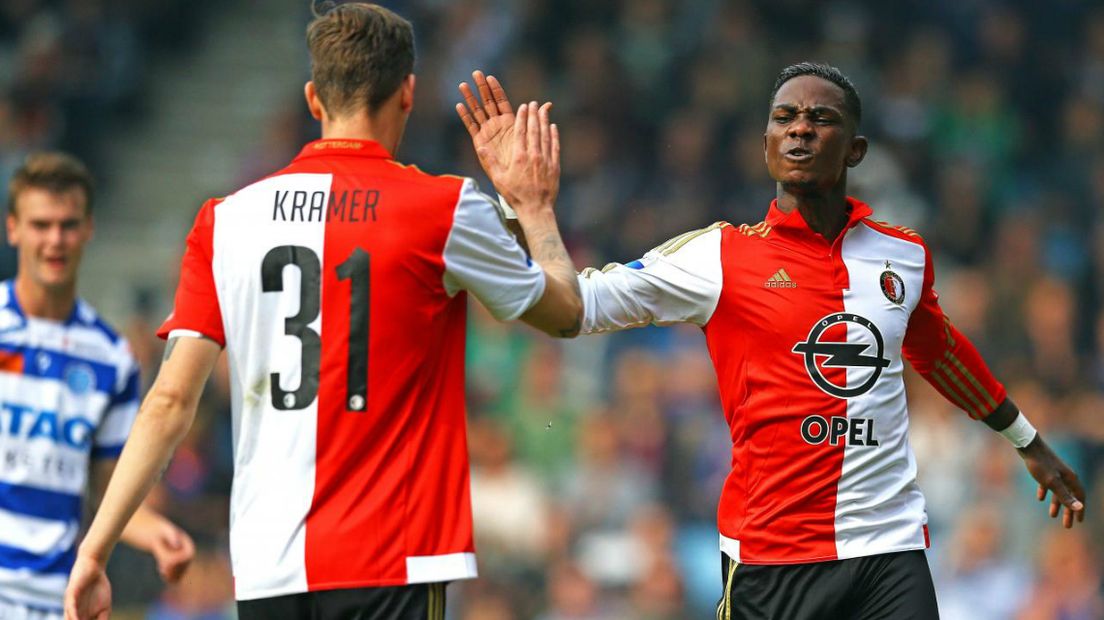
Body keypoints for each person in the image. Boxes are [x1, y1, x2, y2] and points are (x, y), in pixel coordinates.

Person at [455, 62, 1086, 619]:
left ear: (857, 150)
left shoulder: (904, 255)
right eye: (784, 117)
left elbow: (939, 351)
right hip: (771, 558)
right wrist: (529, 209)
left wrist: (1025, 439)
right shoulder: (718, 257)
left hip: (888, 549)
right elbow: (574, 310)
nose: (801, 129)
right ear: (765, 146)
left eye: (821, 118)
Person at [65, 4, 580, 620]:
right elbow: (565, 313)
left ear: (314, 98)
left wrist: (93, 552)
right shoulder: (442, 208)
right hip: (396, 558)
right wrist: (533, 206)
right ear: (408, 93)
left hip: (268, 570)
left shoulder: (225, 221)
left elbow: (169, 403)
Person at [0, 152, 193, 618]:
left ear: (89, 229)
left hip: (54, 597)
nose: (55, 240)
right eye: (41, 224)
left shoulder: (112, 359)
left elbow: (107, 487)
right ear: (14, 229)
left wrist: (154, 533)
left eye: (68, 225)